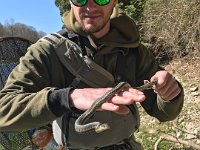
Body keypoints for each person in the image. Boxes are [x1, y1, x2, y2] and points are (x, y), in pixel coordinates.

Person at [0, 0, 184, 149]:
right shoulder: (46, 51)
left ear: (114, 2)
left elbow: (164, 113)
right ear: (70, 2)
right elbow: (3, 111)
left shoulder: (134, 51)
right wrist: (67, 98)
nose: (90, 6)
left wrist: (171, 94)